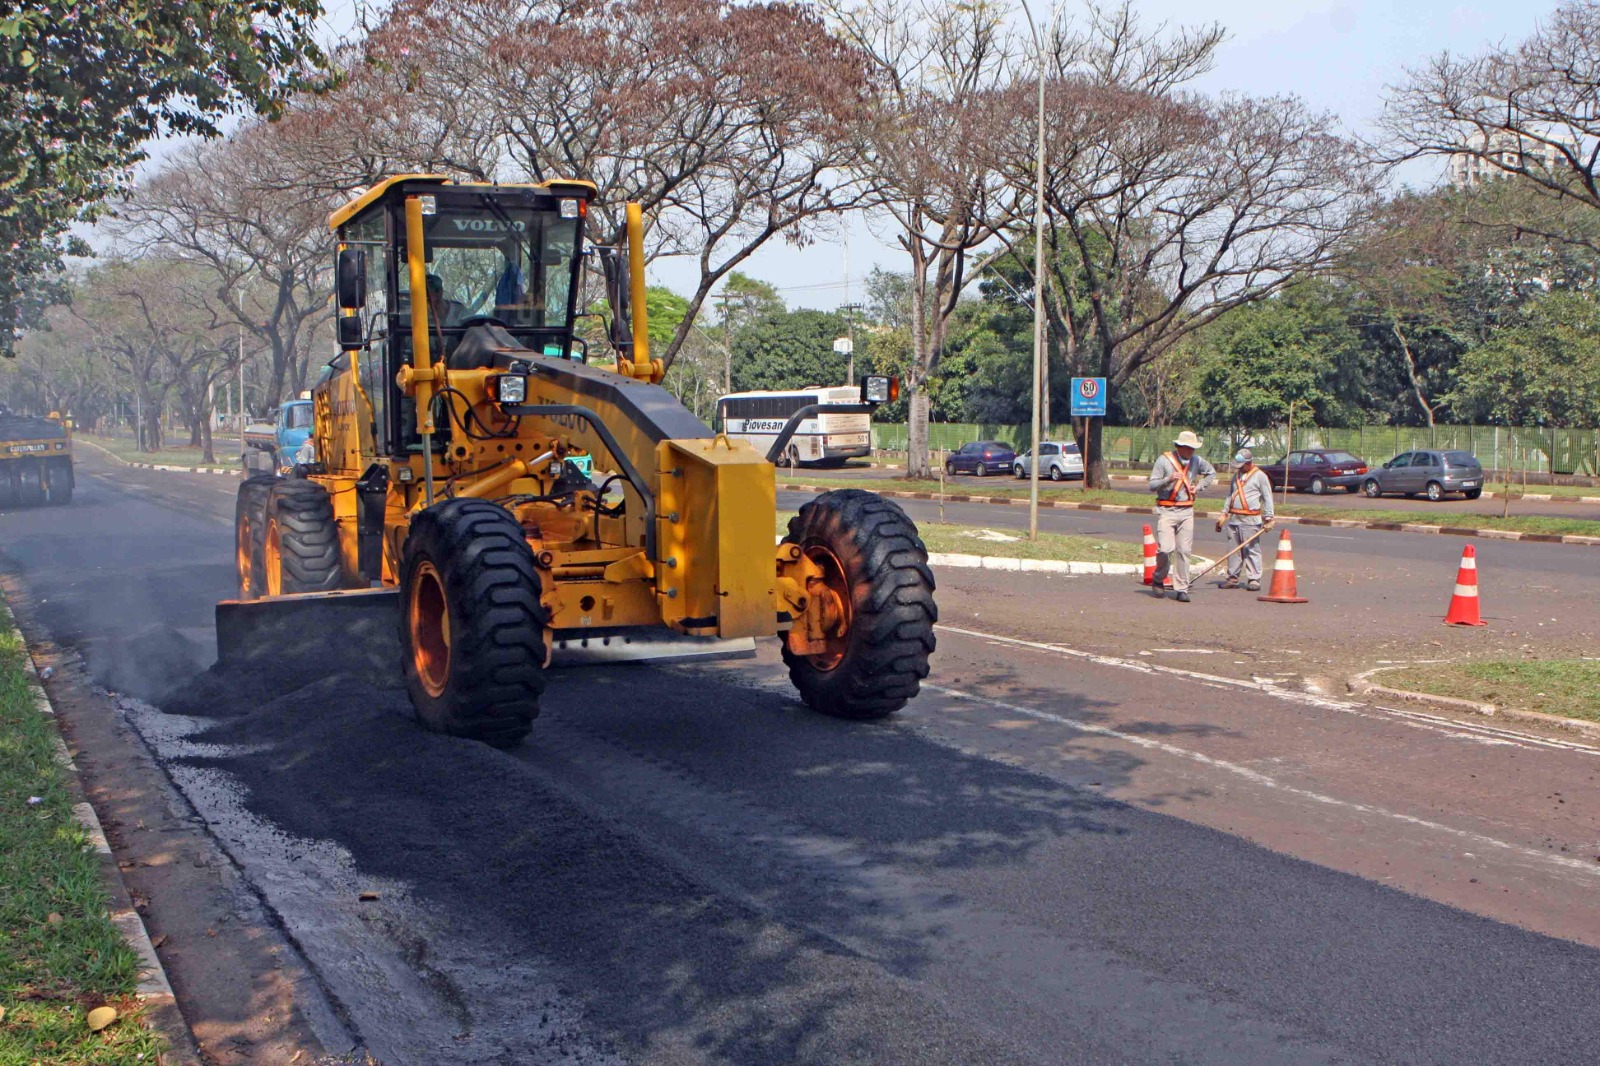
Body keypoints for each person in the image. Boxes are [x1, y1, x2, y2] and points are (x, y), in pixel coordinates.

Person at [1148, 430, 1215, 602]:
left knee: (1184, 551)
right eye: (1188, 448)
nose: (1191, 451)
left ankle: (1182, 588)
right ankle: (1158, 578)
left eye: (1193, 448)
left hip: (1186, 511)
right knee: (1165, 549)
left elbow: (1211, 472)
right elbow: (1152, 485)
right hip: (1167, 511)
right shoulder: (1164, 460)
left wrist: (1198, 487)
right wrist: (1169, 479)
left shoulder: (1197, 461)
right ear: (1180, 447)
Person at [1216, 448, 1275, 592]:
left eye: (1241, 465)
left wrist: (1269, 517)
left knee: (1251, 550)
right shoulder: (1236, 477)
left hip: (1251, 519)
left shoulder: (1260, 476)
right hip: (1234, 519)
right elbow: (1230, 496)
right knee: (1233, 550)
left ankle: (1254, 579)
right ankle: (1232, 578)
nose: (1239, 468)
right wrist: (1224, 514)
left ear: (1248, 463)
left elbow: (1267, 497)